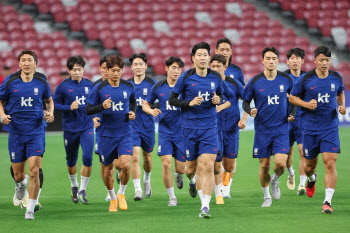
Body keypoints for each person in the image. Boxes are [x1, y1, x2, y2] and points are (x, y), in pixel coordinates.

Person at [169, 42, 223, 218]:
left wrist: (217, 100)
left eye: (205, 54)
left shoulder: (215, 77)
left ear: (209, 57)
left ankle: (205, 206)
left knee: (207, 166)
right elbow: (172, 100)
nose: (202, 58)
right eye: (198, 55)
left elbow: (221, 95)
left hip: (209, 128)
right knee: (190, 169)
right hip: (189, 128)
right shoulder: (185, 77)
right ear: (193, 58)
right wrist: (189, 103)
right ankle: (191, 181)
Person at [289, 46, 346, 214]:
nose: (324, 63)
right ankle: (312, 178)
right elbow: (292, 97)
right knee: (309, 167)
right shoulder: (306, 78)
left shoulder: (336, 77)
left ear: (330, 61)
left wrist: (341, 105)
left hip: (330, 127)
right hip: (310, 128)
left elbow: (340, 92)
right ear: (315, 61)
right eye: (321, 60)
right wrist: (306, 104)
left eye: (327, 60)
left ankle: (327, 201)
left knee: (329, 162)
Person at [0, 50, 54, 220]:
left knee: (34, 170)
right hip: (16, 132)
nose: (26, 63)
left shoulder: (42, 80)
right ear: (19, 64)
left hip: (36, 131)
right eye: (23, 60)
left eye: (30, 60)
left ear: (35, 64)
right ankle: (19, 186)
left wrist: (50, 113)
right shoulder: (10, 81)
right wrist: (2, 115)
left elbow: (49, 100)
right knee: (19, 174)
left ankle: (30, 209)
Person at [242, 47, 295, 207]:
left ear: (278, 61)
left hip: (281, 129)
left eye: (274, 58)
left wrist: (292, 113)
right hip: (262, 130)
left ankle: (274, 181)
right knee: (264, 165)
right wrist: (249, 110)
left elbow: (293, 98)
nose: (271, 61)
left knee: (280, 164)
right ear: (262, 61)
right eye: (268, 58)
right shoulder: (255, 81)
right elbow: (245, 101)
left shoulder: (286, 80)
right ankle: (266, 197)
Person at [86, 55, 136, 212]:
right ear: (107, 70)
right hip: (106, 134)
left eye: (119, 71)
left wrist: (132, 112)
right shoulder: (100, 88)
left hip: (125, 133)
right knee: (107, 170)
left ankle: (121, 193)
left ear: (122, 70)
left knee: (126, 166)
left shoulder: (128, 86)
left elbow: (133, 101)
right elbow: (88, 109)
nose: (116, 74)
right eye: (113, 71)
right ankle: (112, 197)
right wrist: (101, 107)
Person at [142, 57, 186, 206]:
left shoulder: (185, 87)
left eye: (179, 68)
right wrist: (150, 110)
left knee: (181, 168)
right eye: (173, 67)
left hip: (182, 133)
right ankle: (172, 197)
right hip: (165, 132)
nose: (176, 71)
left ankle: (180, 174)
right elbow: (145, 104)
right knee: (166, 164)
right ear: (166, 68)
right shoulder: (158, 87)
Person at [53, 55, 94, 204]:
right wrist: (68, 107)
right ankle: (74, 185)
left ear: (84, 70)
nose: (77, 72)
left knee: (88, 157)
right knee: (71, 160)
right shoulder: (63, 86)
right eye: (74, 70)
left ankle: (83, 190)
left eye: (80, 69)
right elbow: (53, 104)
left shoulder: (90, 85)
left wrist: (97, 117)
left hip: (87, 127)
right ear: (69, 71)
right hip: (70, 129)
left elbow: (96, 104)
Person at [208, 54, 246, 204]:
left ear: (225, 67)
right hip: (213, 128)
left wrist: (244, 119)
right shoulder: (207, 83)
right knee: (216, 161)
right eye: (213, 66)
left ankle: (224, 178)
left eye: (219, 66)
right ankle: (218, 192)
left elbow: (246, 101)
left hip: (231, 127)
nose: (216, 69)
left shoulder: (234, 84)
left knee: (229, 165)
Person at [128, 53, 156, 200]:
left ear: (146, 65)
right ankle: (137, 189)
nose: (138, 67)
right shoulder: (126, 85)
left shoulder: (152, 84)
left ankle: (147, 178)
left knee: (147, 158)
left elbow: (159, 102)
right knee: (135, 157)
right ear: (131, 67)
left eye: (141, 64)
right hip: (132, 127)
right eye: (135, 64)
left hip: (148, 127)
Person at [284, 48, 307, 194]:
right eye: (292, 58)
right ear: (287, 61)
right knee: (287, 155)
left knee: (303, 152)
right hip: (285, 120)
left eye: (297, 58)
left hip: (302, 120)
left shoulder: (308, 78)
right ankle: (291, 173)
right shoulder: (282, 78)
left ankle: (302, 184)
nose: (294, 61)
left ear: (302, 61)